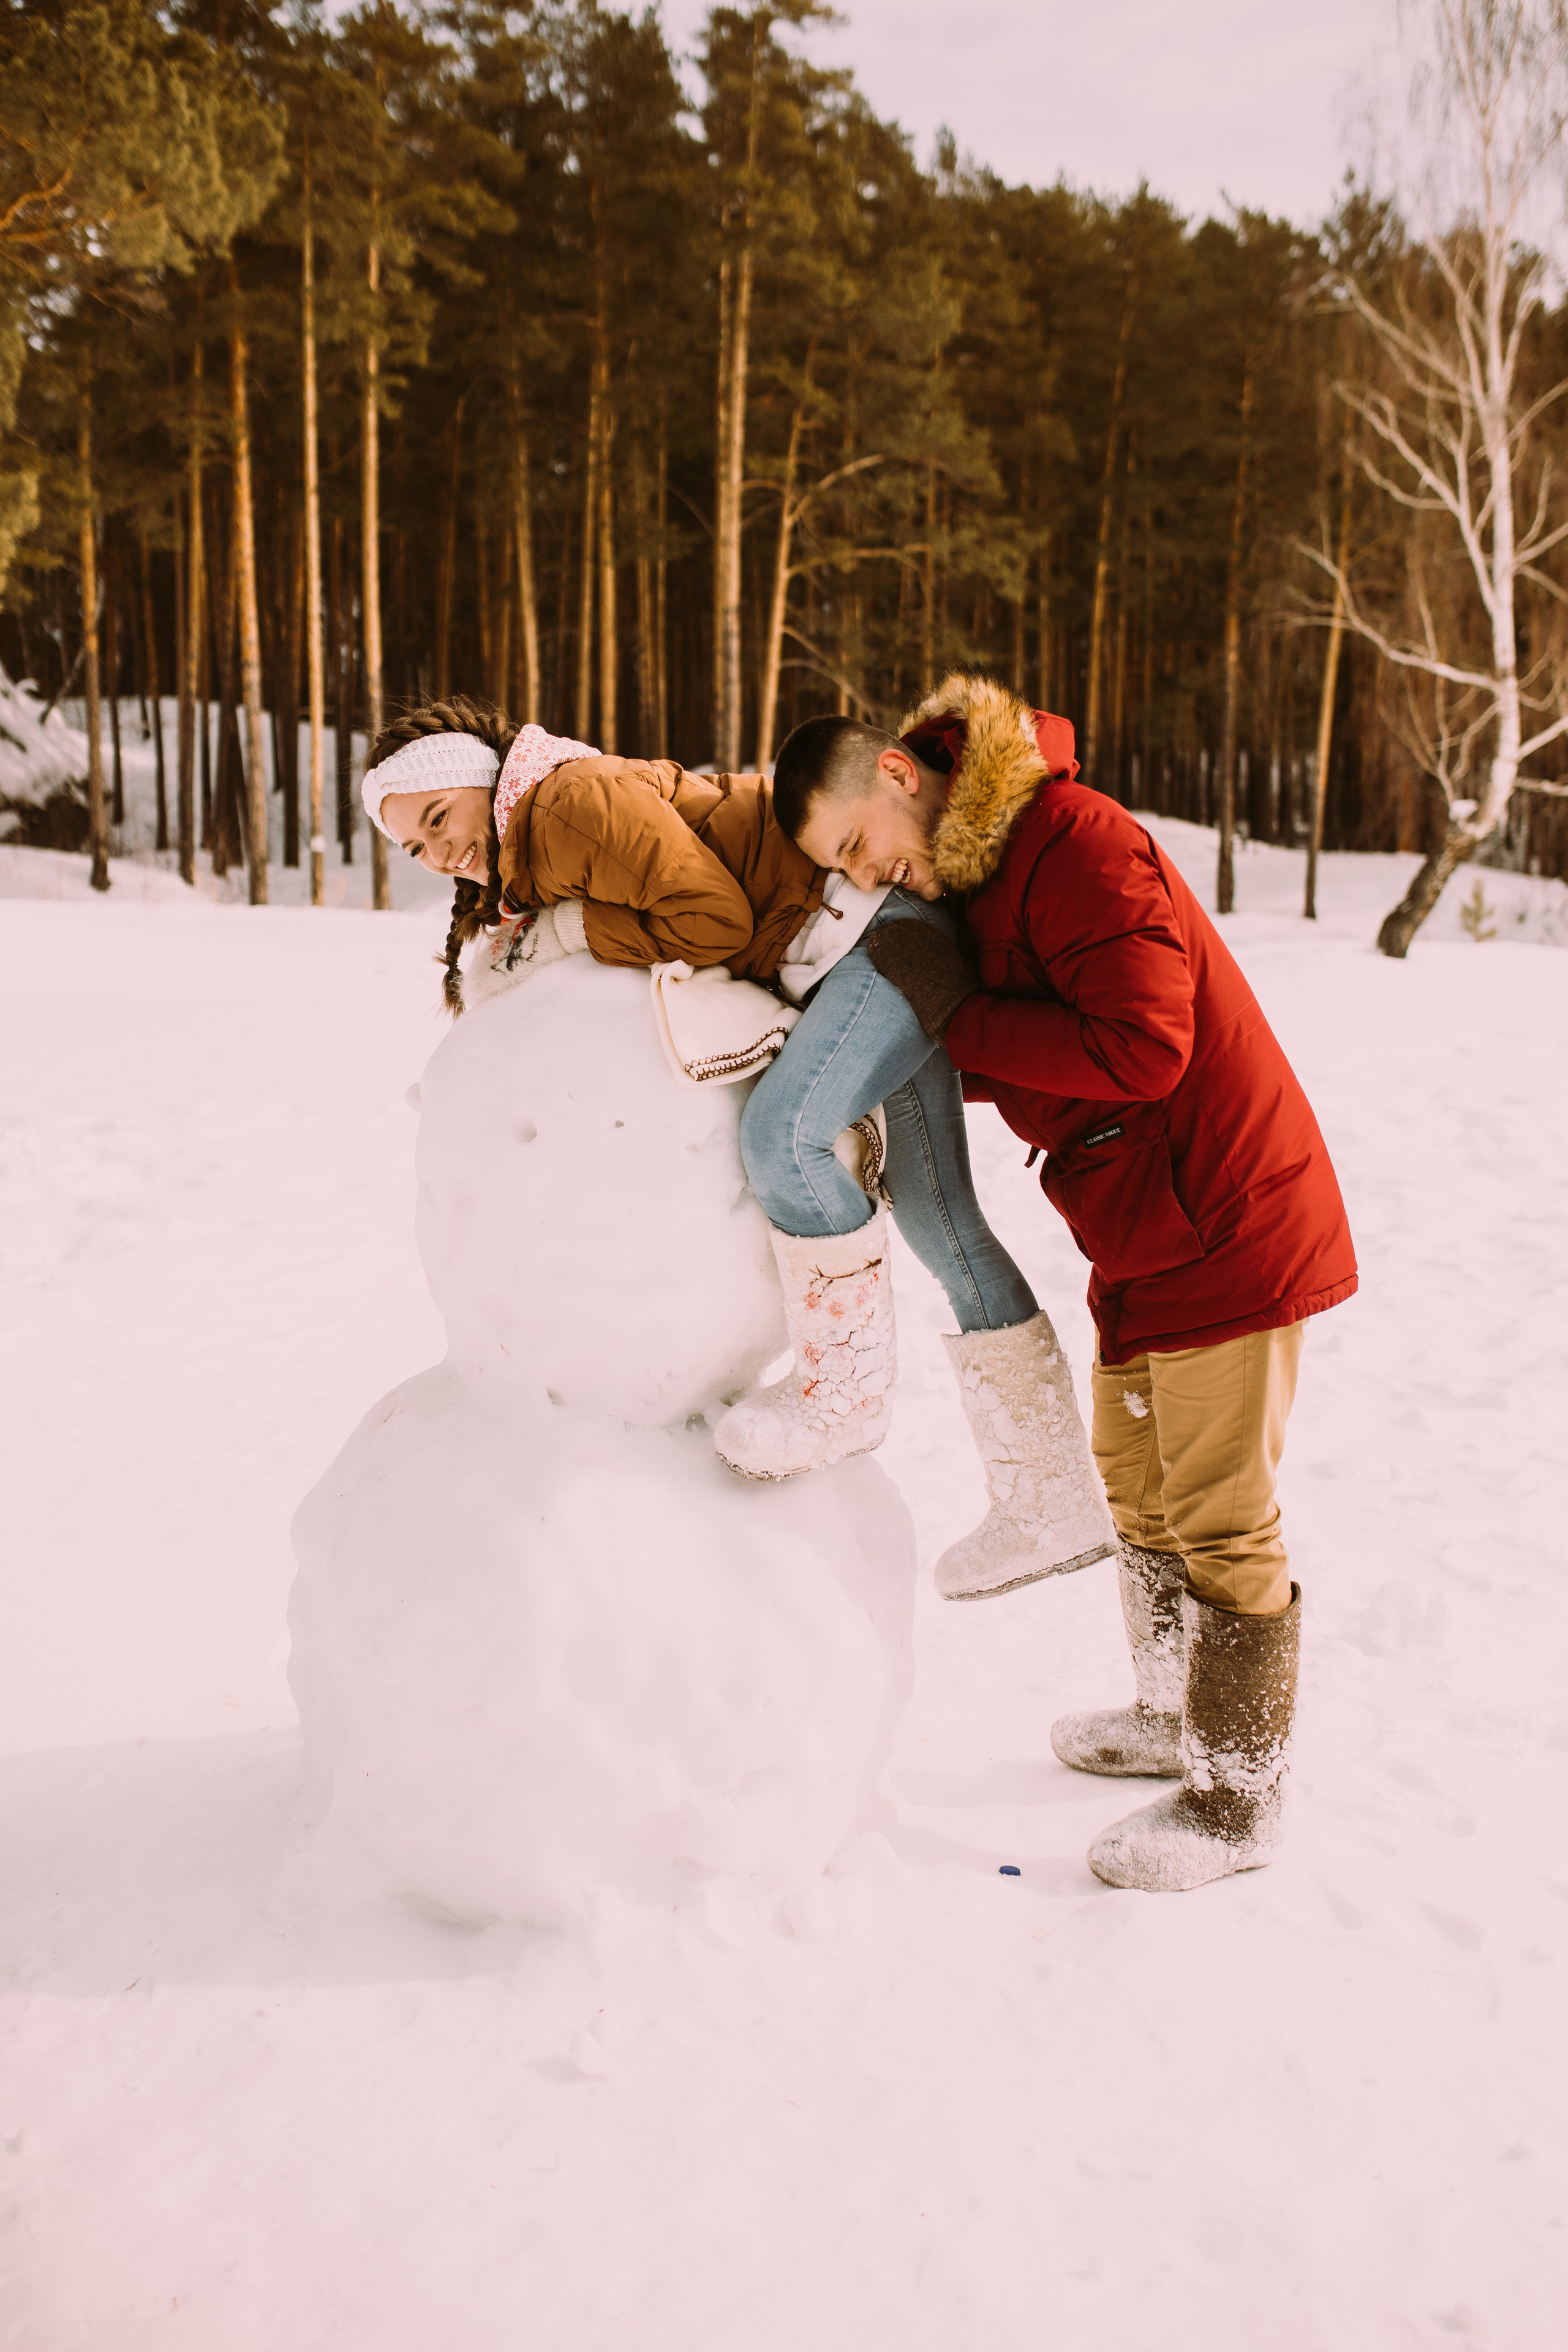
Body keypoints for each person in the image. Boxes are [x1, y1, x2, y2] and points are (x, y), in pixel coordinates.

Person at [769, 675, 1358, 1894]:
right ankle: (1166, 1716)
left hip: (1223, 1222)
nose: (872, 878)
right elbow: (1041, 1037)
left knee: (1219, 1520)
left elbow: (1142, 1049)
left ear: (892, 774)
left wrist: (961, 1020)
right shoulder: (991, 870)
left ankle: (1233, 1800)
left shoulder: (1073, 842)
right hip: (1140, 1231)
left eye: (856, 850)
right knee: (1137, 1496)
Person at [361, 696, 1110, 1591]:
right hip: (879, 948)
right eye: (415, 848)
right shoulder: (543, 832)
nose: (438, 854)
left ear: (483, 779)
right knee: (947, 1225)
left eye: (438, 819)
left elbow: (710, 921)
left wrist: (567, 932)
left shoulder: (560, 807)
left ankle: (845, 1389)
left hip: (877, 941)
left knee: (785, 1137)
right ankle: (1052, 1500)